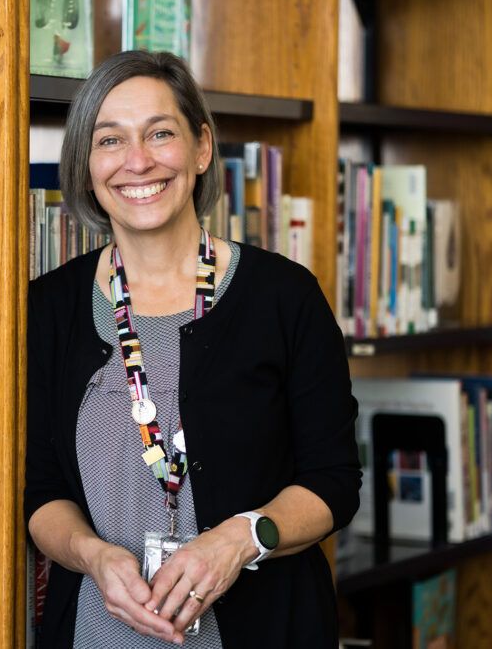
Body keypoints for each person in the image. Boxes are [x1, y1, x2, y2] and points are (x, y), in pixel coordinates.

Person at [24, 50, 361, 648]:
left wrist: (241, 539)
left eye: (160, 133)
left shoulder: (284, 296)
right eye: (110, 141)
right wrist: (94, 555)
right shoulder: (47, 309)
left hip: (265, 627)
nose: (138, 161)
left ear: (202, 148)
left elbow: (333, 481)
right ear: (85, 167)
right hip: (97, 633)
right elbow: (40, 491)